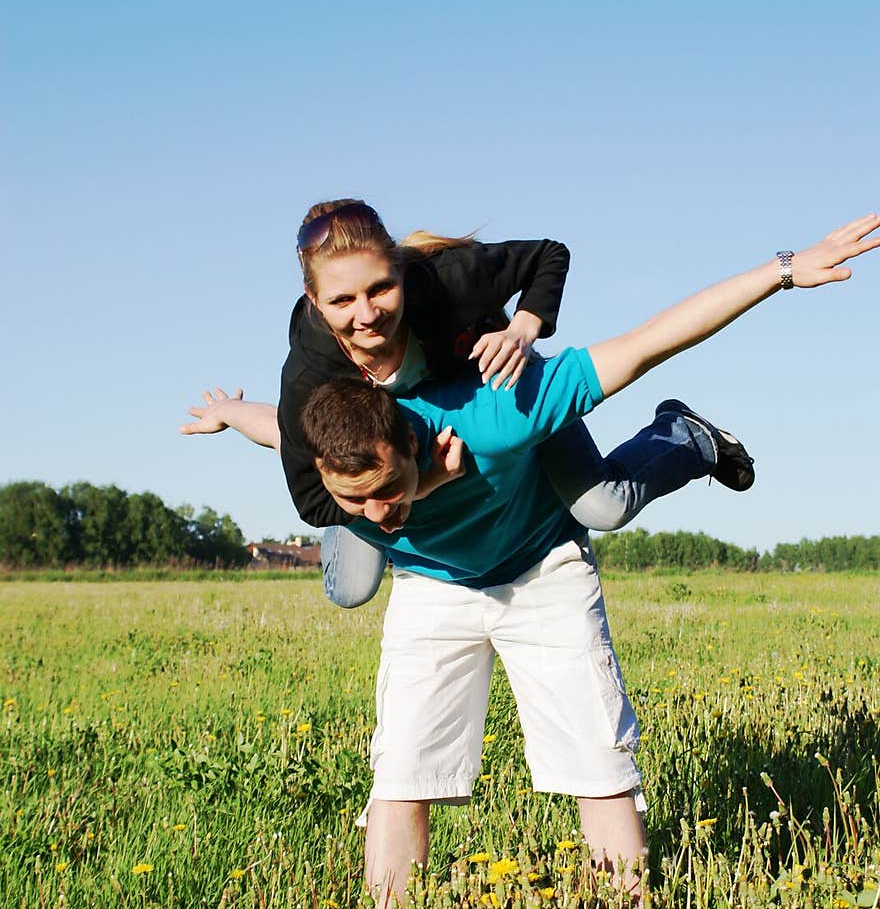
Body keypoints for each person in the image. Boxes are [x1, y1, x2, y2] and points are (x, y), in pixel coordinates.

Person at [288, 211, 879, 909]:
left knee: (597, 758)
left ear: (424, 454)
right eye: (358, 496)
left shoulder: (498, 407)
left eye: (388, 490)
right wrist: (237, 417)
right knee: (400, 770)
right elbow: (279, 431)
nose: (377, 506)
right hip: (429, 583)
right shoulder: (326, 414)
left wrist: (781, 270)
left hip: (540, 565)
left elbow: (648, 343)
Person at [182, 200, 756, 608]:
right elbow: (303, 468)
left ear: (400, 273)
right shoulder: (312, 366)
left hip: (496, 382)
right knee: (349, 587)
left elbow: (556, 263)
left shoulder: (447, 281)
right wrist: (417, 487)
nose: (366, 314)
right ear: (315, 301)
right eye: (341, 301)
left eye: (380, 289)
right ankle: (370, 482)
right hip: (385, 440)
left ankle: (684, 436)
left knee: (602, 506)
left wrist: (525, 329)